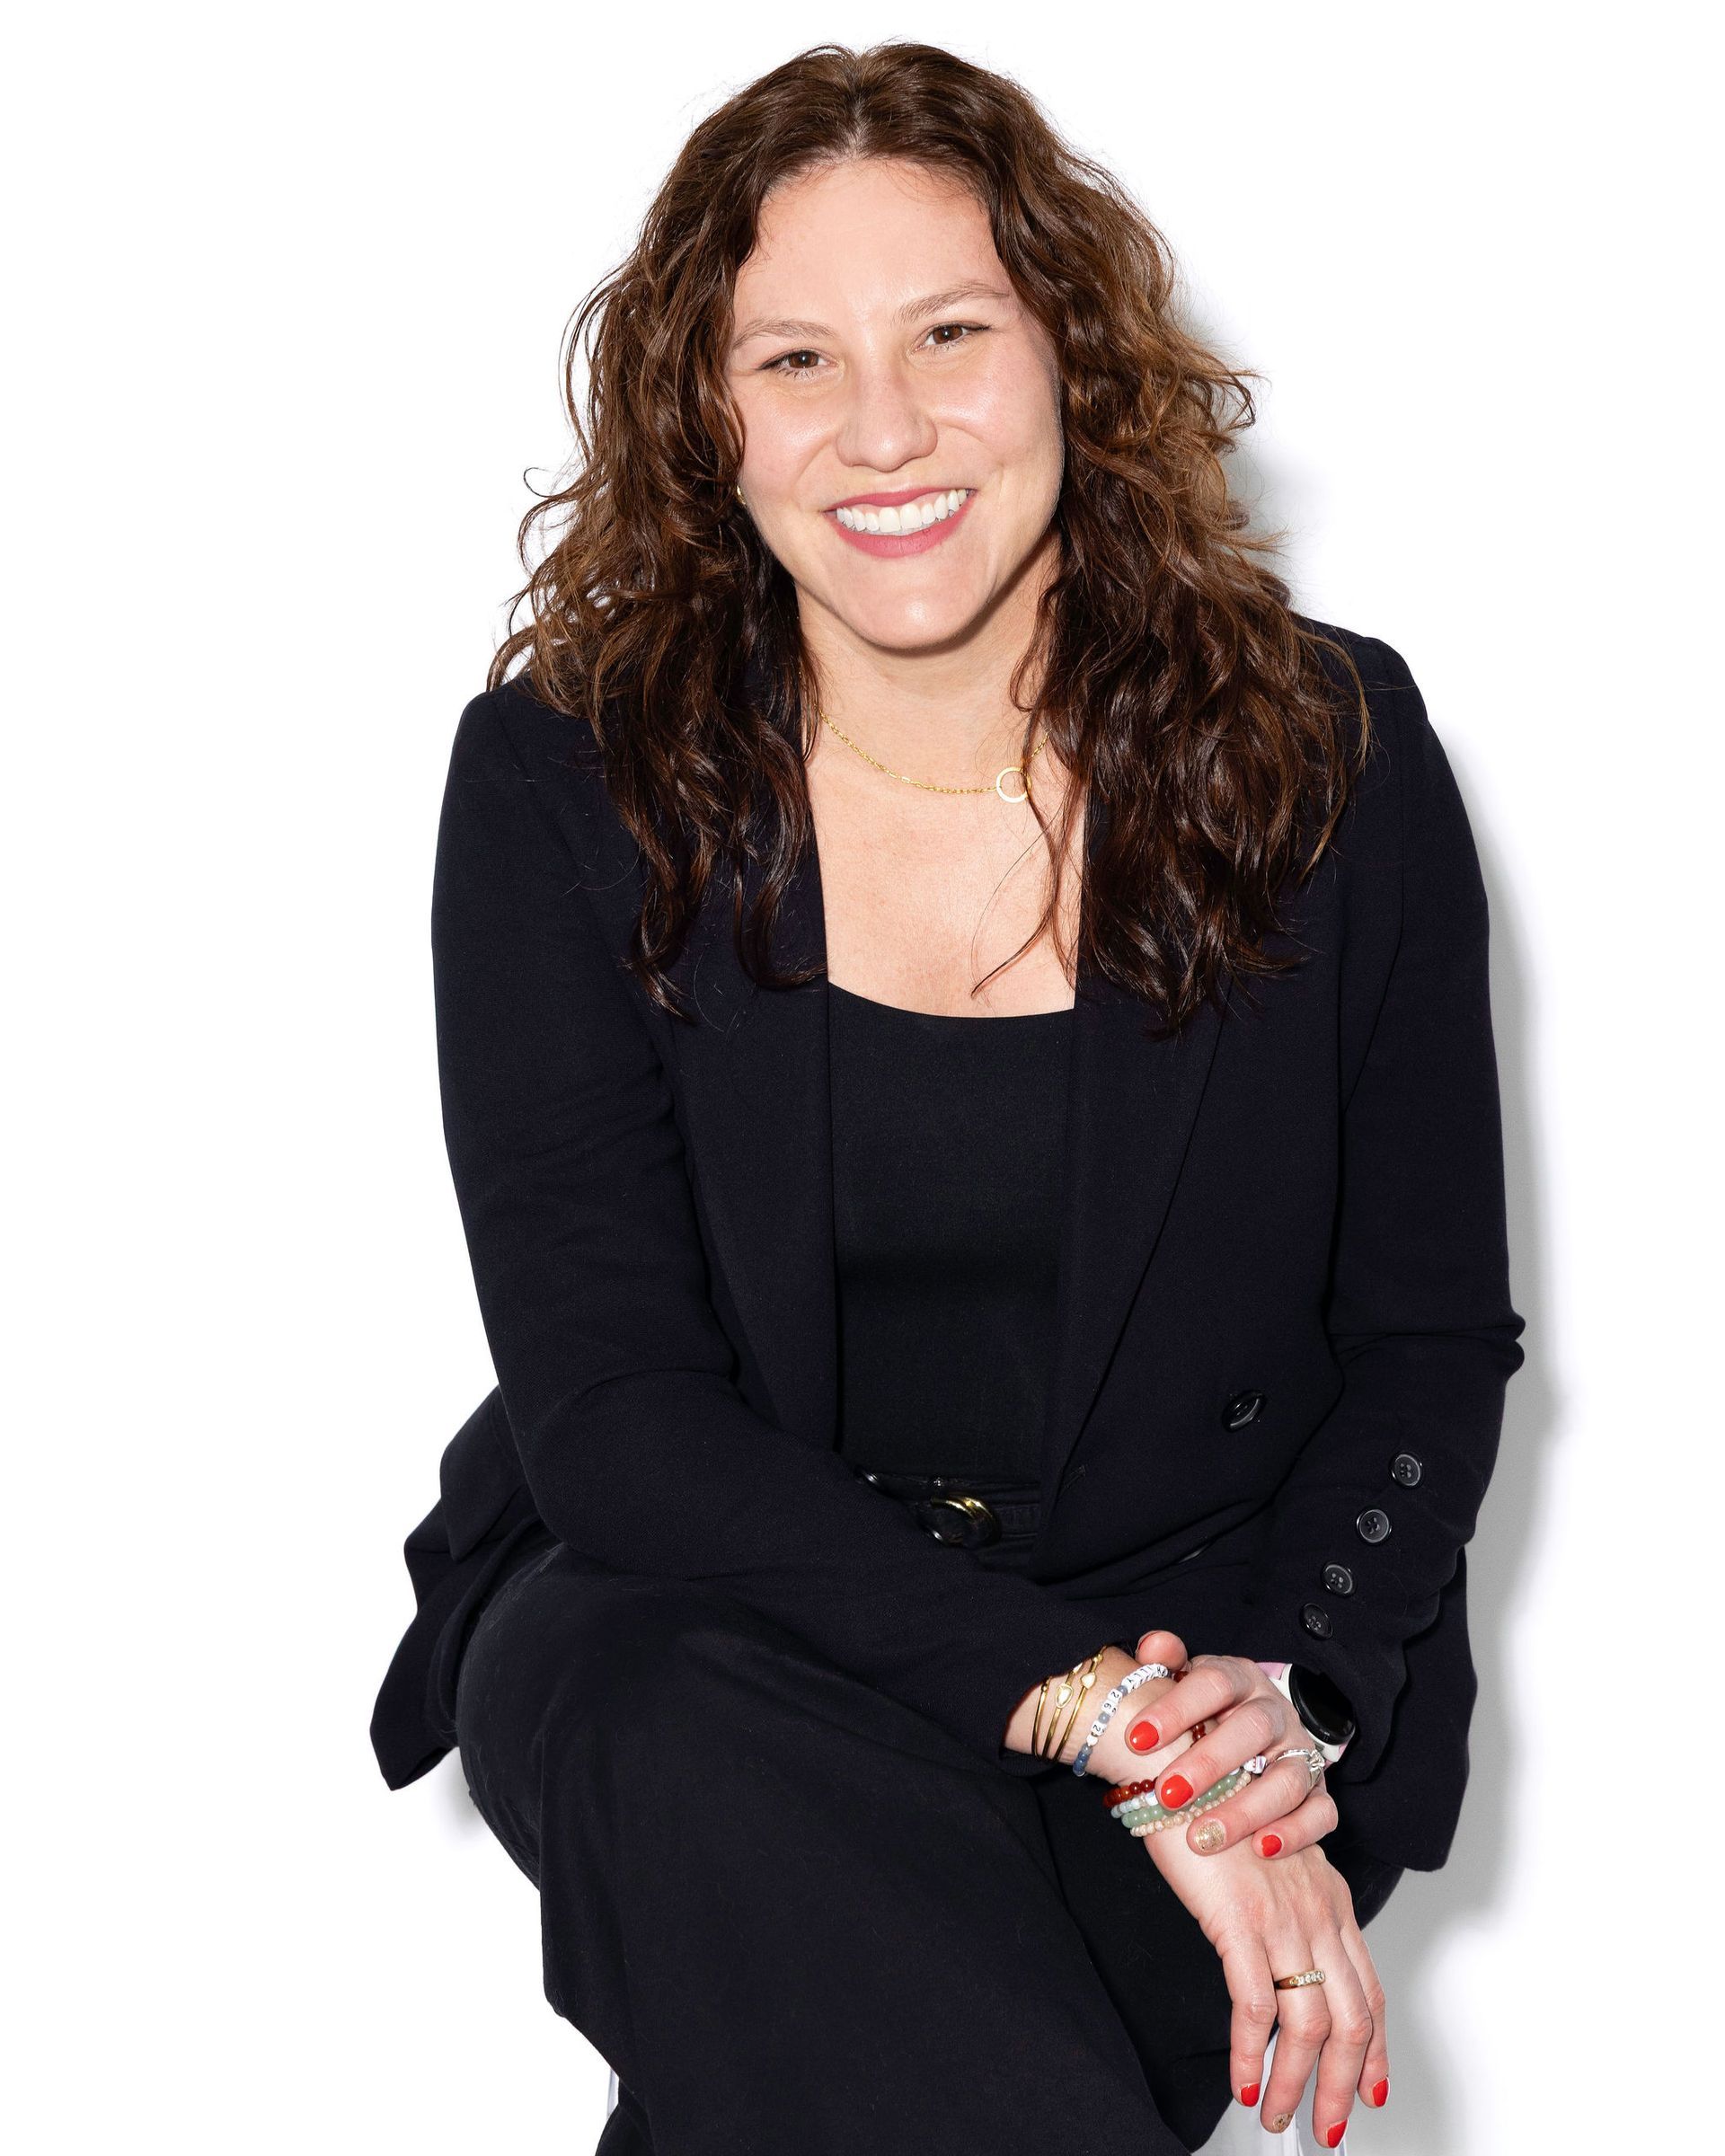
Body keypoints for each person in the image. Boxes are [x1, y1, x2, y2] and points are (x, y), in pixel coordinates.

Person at [368, 40, 1525, 2156]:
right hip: (705, 1628)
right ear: (706, 421)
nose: (881, 428)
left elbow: (1429, 1337)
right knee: (694, 1756)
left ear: (1071, 355)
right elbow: (613, 1414)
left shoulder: (1329, 748)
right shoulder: (564, 783)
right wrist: (1097, 1728)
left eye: (952, 334)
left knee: (834, 2034)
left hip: (1204, 1636)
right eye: (794, 358)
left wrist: (1256, 1715)